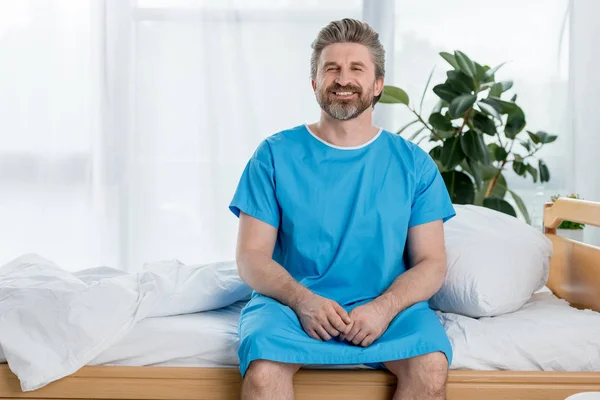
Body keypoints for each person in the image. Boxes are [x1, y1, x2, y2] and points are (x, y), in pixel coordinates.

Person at [229, 18, 455, 400]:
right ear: (315, 83)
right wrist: (303, 300)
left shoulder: (413, 164)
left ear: (377, 85)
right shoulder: (274, 155)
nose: (342, 78)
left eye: (356, 69)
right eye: (331, 68)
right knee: (264, 374)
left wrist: (384, 308)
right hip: (290, 304)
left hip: (389, 306)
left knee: (431, 366)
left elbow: (432, 262)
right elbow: (251, 257)